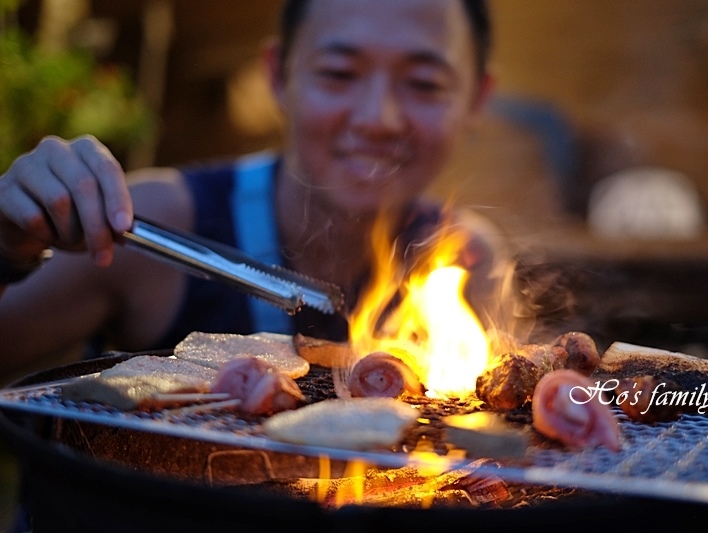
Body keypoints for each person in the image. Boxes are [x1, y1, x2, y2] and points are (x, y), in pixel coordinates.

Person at [0, 0, 507, 382]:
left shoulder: (465, 260)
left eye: (423, 83)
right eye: (338, 73)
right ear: (278, 75)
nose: (378, 118)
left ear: (476, 98)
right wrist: (7, 247)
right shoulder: (152, 221)